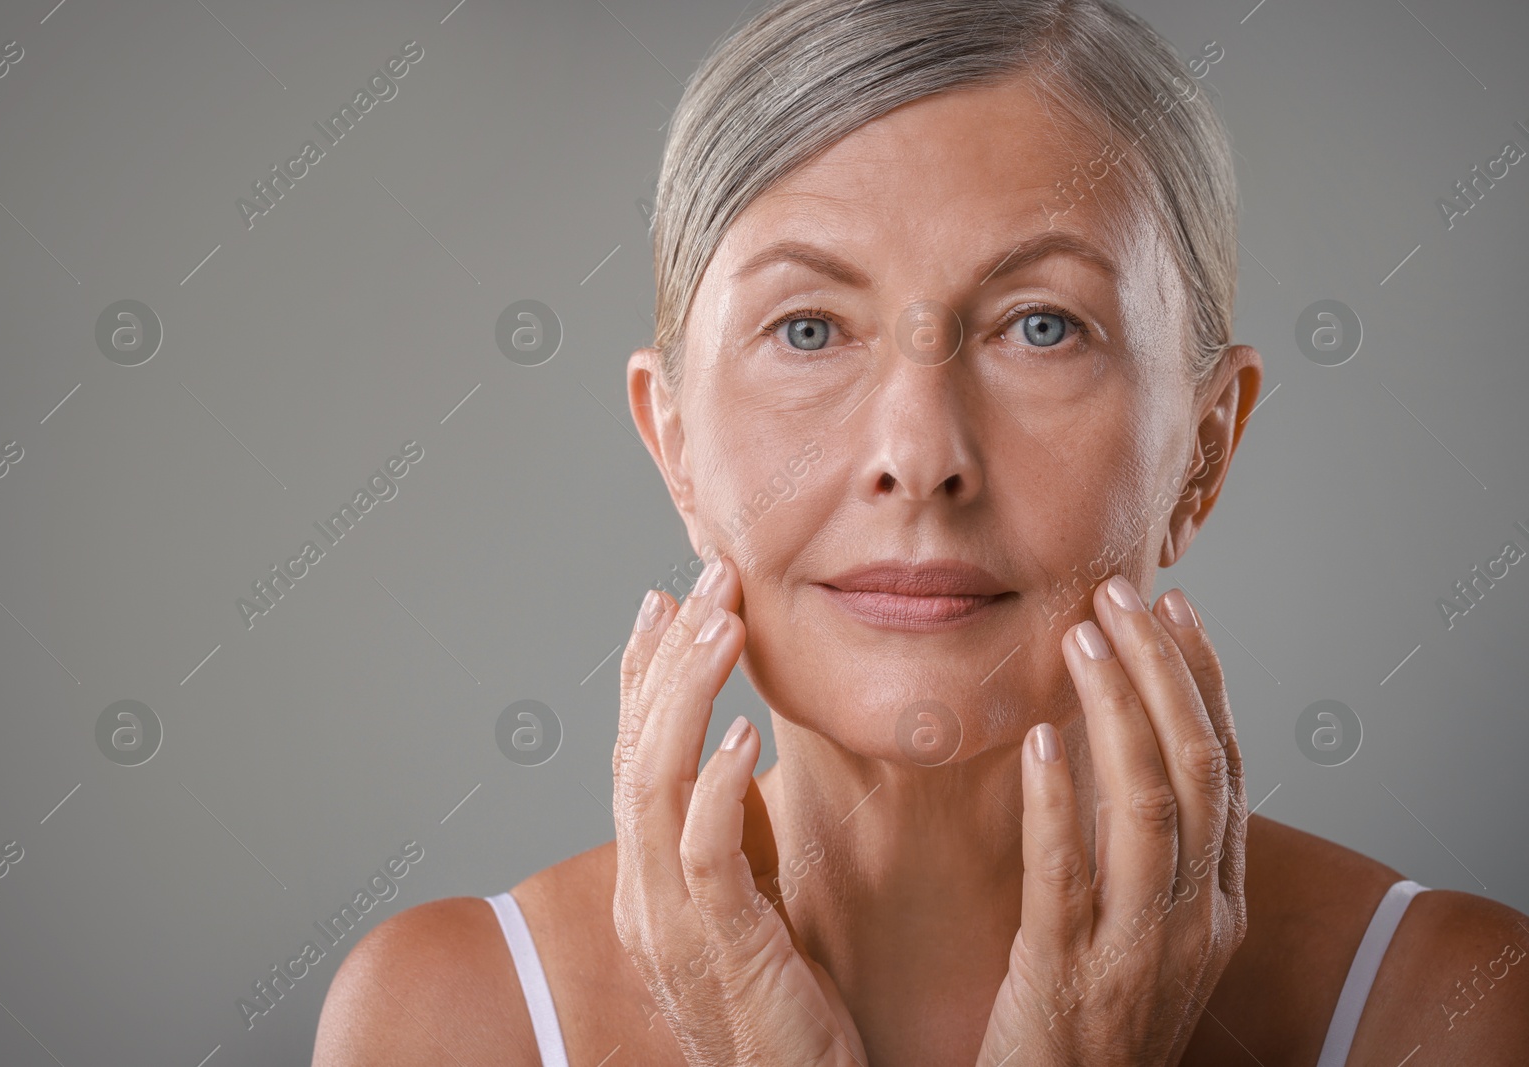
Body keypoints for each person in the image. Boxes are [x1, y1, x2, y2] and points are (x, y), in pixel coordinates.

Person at [312, 1, 1529, 1063]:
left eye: (1039, 325)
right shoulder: (448, 1019)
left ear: (1203, 450)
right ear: (673, 442)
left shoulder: (1456, 1008)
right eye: (807, 328)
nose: (919, 453)